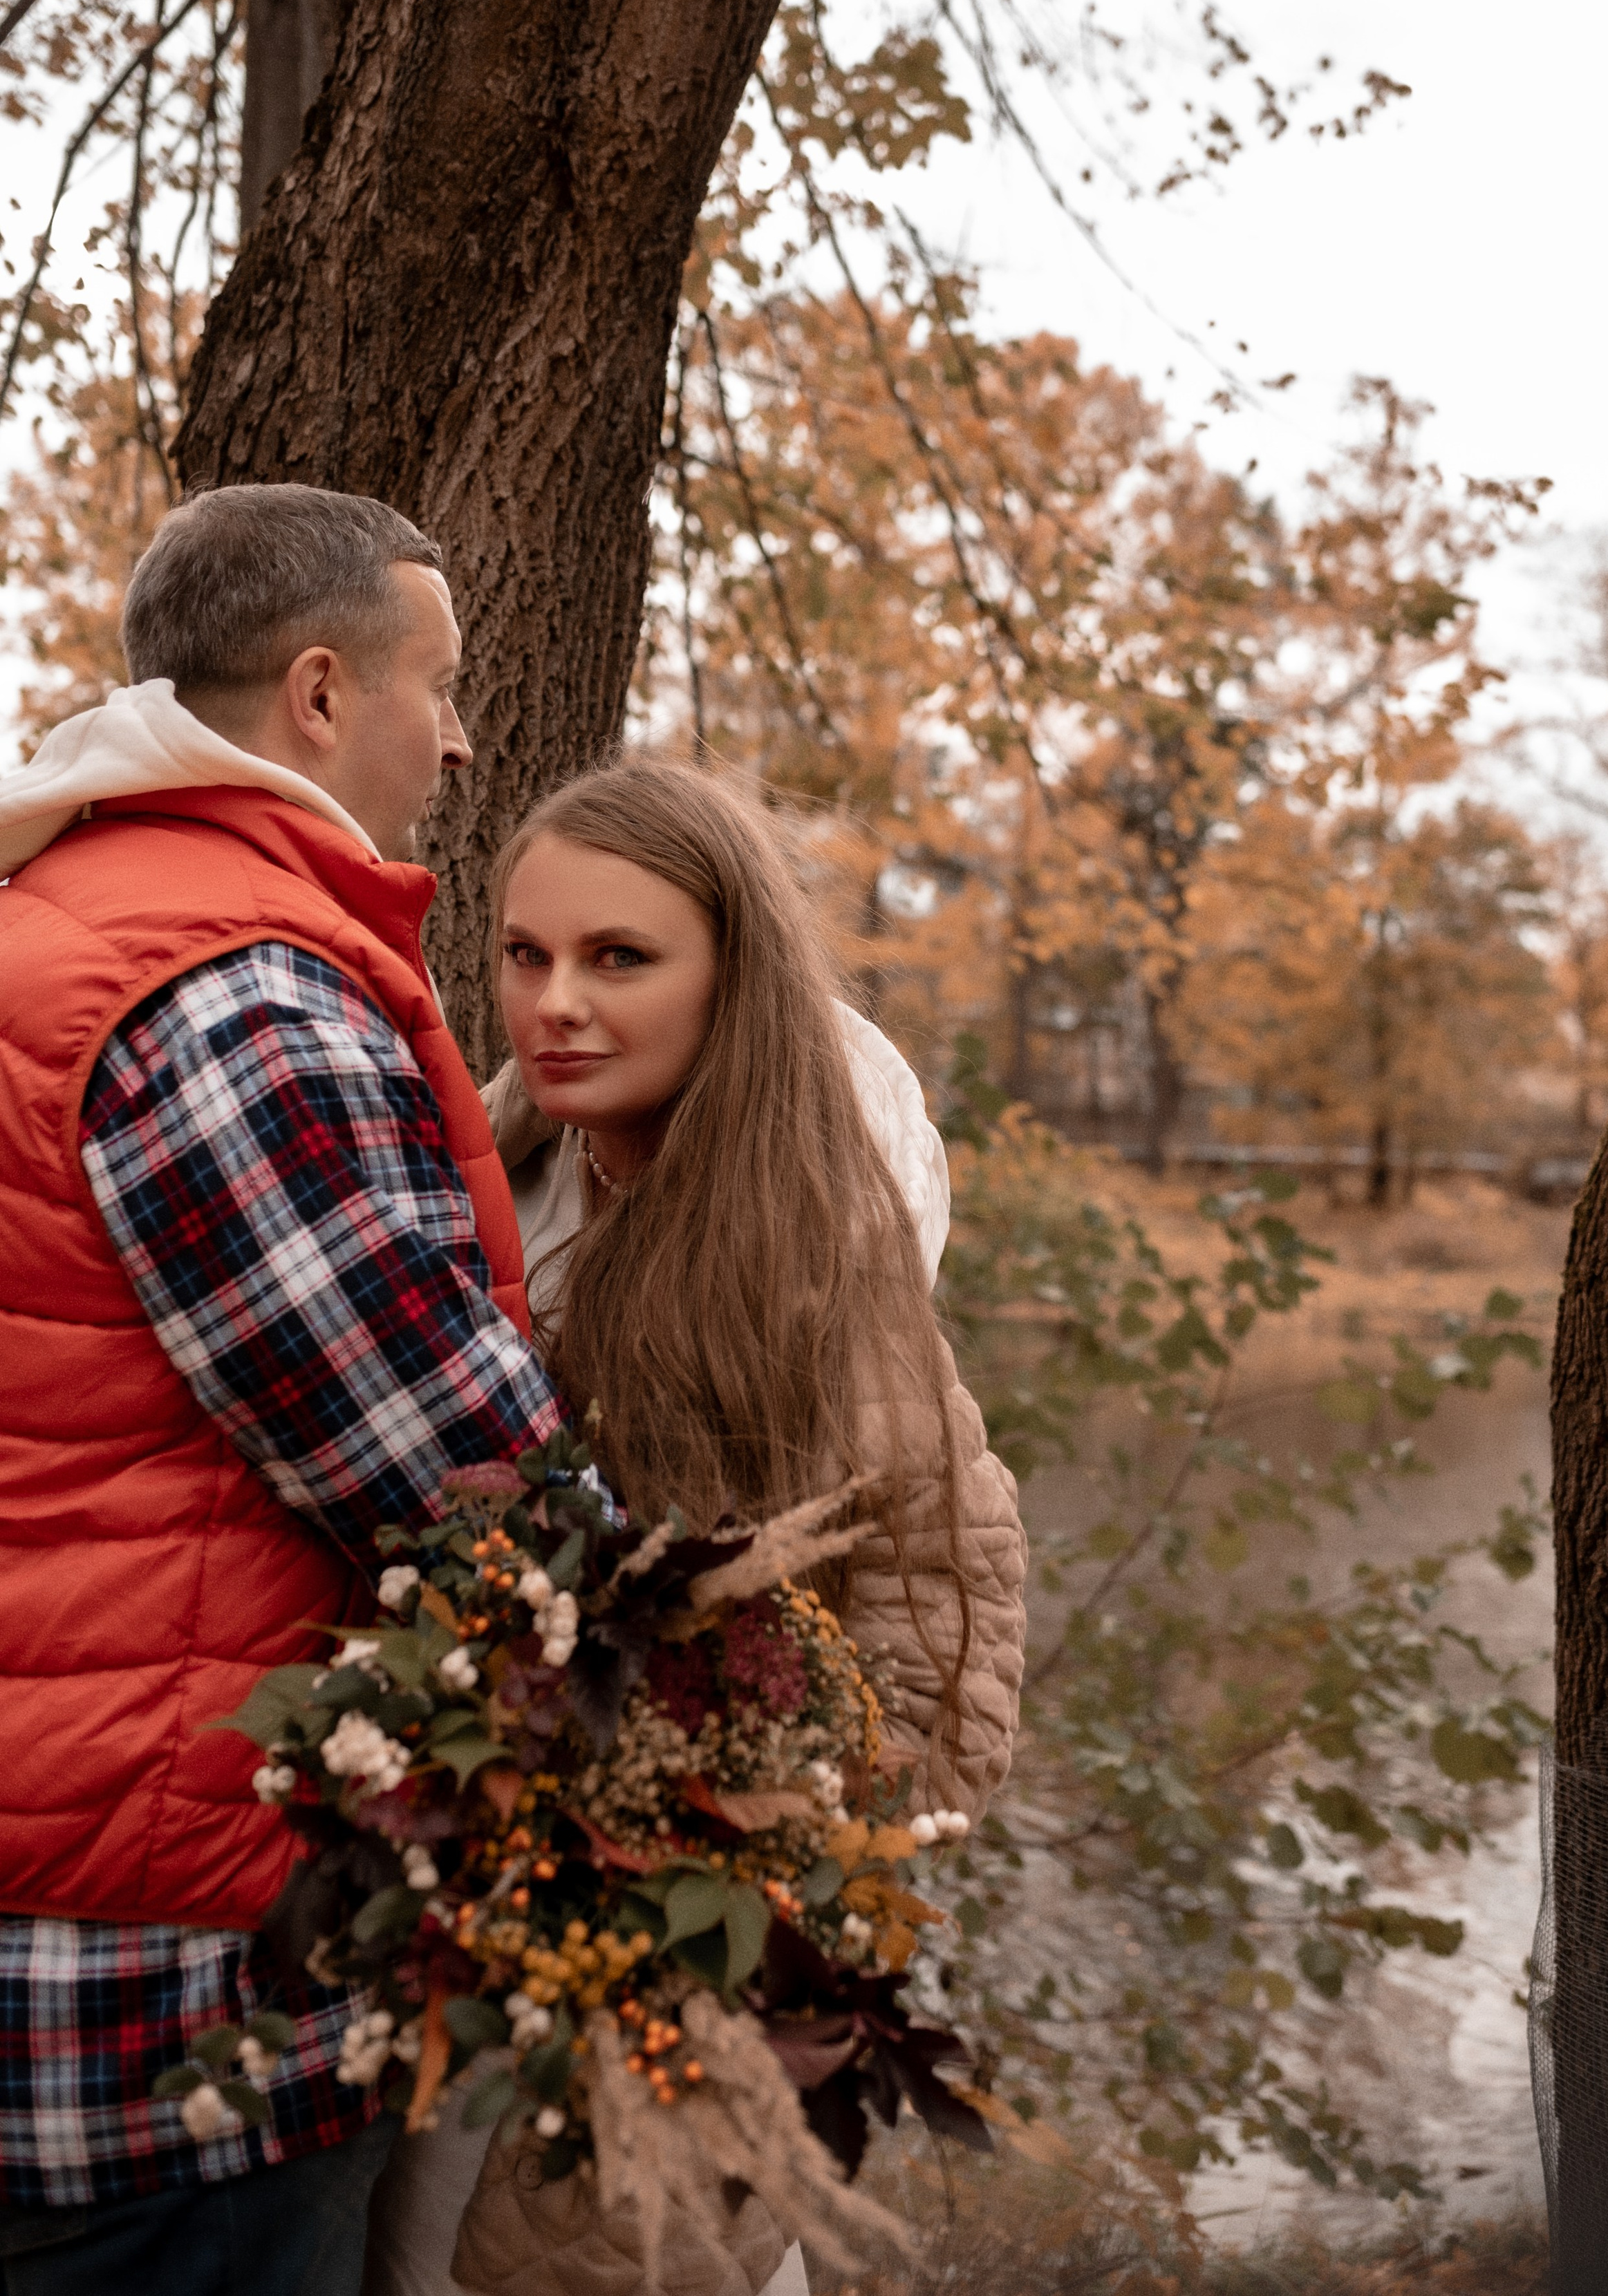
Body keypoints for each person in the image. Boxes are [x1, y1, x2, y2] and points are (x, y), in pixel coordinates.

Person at [0, 485, 574, 2296]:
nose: (466, 733)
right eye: (443, 679)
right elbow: (447, 1469)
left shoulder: (50, 923)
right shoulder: (233, 993)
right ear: (322, 695)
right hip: (162, 1997)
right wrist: (708, 1678)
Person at [366, 760, 1027, 2296]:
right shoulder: (499, 1166)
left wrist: (758, 1882)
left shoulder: (804, 1246)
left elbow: (936, 1606)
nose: (557, 1004)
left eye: (620, 958)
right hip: (460, 1913)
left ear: (732, 976)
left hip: (673, 1942)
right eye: (527, 955)